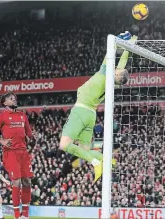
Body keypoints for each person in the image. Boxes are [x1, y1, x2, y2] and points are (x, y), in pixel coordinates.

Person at [59, 31, 137, 182]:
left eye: (117, 70)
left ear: (117, 75)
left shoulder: (105, 73)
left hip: (80, 111)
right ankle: (108, 161)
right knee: (85, 149)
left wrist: (117, 41)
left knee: (64, 144)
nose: (116, 67)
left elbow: (109, 53)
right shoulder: (114, 82)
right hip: (91, 115)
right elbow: (123, 63)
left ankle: (96, 163)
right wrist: (128, 47)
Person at [0, 92, 37, 219]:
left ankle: (25, 215)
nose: (14, 99)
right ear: (5, 103)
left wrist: (33, 136)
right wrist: (2, 141)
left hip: (23, 152)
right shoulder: (1, 117)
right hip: (10, 153)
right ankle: (17, 215)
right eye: (11, 98)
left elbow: (29, 133)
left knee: (27, 181)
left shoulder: (23, 116)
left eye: (14, 98)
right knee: (16, 182)